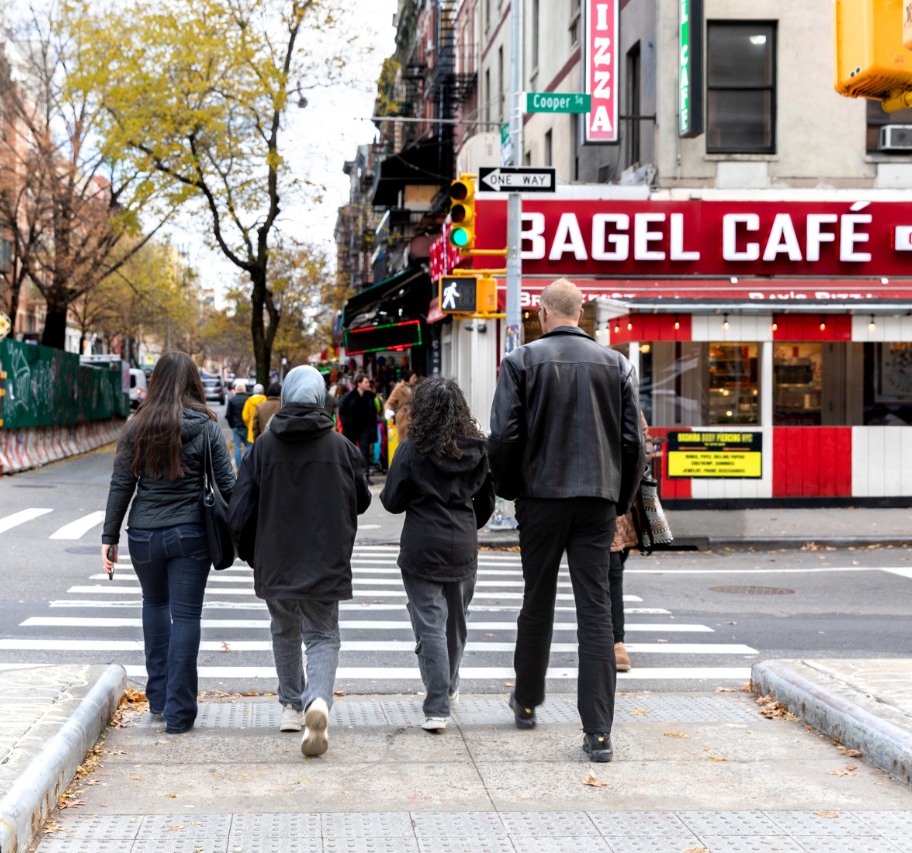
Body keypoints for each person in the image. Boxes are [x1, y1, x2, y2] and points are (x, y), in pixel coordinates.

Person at [488, 278, 644, 763]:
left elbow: (503, 436)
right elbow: (633, 442)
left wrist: (511, 489)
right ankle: (598, 732)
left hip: (540, 495)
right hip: (597, 498)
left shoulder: (520, 362)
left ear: (541, 313)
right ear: (582, 314)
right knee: (595, 610)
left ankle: (528, 700)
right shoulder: (617, 364)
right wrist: (619, 497)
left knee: (537, 599)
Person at [228, 365, 371, 757]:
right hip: (325, 560)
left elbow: (240, 510)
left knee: (284, 629)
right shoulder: (341, 448)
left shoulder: (263, 448)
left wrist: (252, 555)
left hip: (275, 560)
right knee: (323, 635)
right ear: (322, 398)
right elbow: (361, 501)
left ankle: (291, 706)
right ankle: (318, 700)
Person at [100, 351, 235, 735]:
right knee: (187, 617)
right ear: (193, 381)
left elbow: (121, 483)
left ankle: (157, 699)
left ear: (155, 381)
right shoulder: (206, 427)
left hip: (142, 534)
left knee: (154, 606)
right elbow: (227, 485)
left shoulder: (136, 425)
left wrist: (109, 537)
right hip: (191, 533)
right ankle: (179, 714)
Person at [380, 378, 494, 732]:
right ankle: (449, 686)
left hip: (420, 545)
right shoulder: (478, 449)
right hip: (462, 543)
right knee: (456, 623)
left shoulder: (412, 449)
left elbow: (392, 501)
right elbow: (487, 504)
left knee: (430, 624)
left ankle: (437, 703)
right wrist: (466, 521)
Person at [609, 413, 651, 674]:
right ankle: (615, 643)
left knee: (611, 570)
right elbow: (639, 440)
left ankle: (614, 643)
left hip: (556, 492)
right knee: (612, 570)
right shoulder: (618, 375)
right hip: (615, 492)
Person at [337, 373, 379, 482]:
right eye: (366, 382)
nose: (368, 384)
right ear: (358, 383)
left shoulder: (370, 396)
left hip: (364, 429)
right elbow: (341, 411)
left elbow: (373, 414)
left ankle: (366, 476)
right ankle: (350, 476)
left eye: (368, 382)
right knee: (350, 452)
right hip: (351, 429)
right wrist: (346, 424)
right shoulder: (349, 397)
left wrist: (372, 430)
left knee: (365, 452)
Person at [384, 370, 418, 440]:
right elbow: (388, 403)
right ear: (408, 377)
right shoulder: (399, 388)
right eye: (413, 377)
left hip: (414, 419)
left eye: (416, 377)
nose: (415, 380)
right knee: (404, 444)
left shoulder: (416, 388)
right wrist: (387, 410)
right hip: (403, 420)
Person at [225, 380, 251, 469]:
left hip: (236, 426)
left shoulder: (232, 400)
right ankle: (247, 465)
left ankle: (239, 467)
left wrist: (232, 425)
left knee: (237, 447)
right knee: (249, 445)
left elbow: (228, 415)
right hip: (246, 426)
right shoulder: (248, 400)